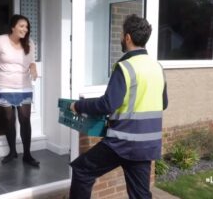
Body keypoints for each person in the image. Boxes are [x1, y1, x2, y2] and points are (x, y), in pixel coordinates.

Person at [69, 14, 168, 199]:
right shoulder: (157, 67)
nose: (121, 38)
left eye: (122, 34)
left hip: (123, 142)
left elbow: (108, 104)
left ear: (128, 37)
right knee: (140, 195)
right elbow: (163, 103)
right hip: (147, 144)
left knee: (82, 171)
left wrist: (78, 105)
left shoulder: (125, 67)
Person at [0, 14, 40, 167]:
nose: (25, 29)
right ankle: (12, 151)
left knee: (25, 120)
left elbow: (31, 62)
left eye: (26, 27)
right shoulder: (0, 41)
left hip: (24, 87)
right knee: (9, 120)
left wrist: (34, 69)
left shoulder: (29, 43)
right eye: (21, 26)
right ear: (13, 27)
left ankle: (28, 154)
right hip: (4, 86)